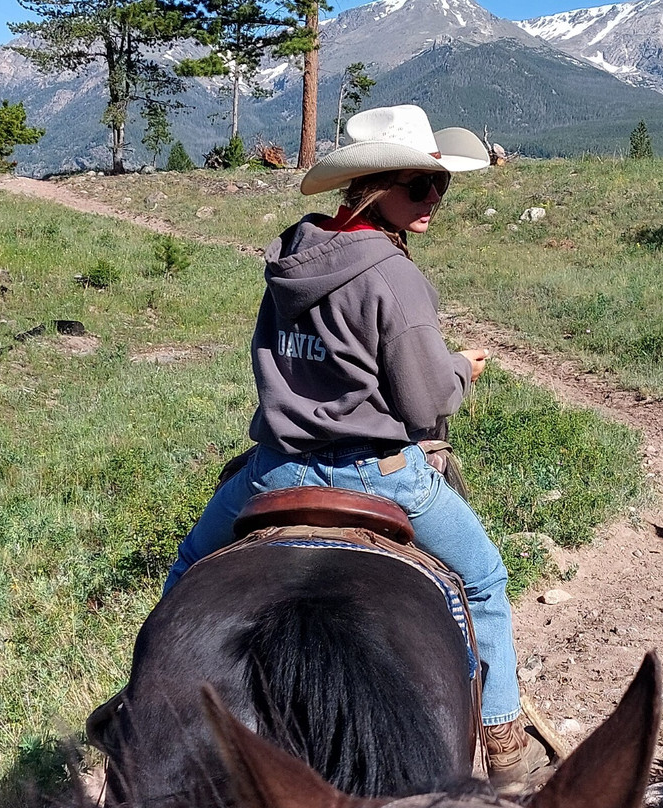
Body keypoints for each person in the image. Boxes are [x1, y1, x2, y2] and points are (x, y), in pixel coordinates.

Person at [160, 104, 549, 789]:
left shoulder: (292, 252)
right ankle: (506, 741)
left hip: (273, 470)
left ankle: (149, 708)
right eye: (421, 186)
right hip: (379, 473)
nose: (435, 200)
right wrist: (462, 368)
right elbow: (424, 402)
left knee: (190, 566)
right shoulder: (396, 278)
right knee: (485, 579)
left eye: (440, 187)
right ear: (376, 187)